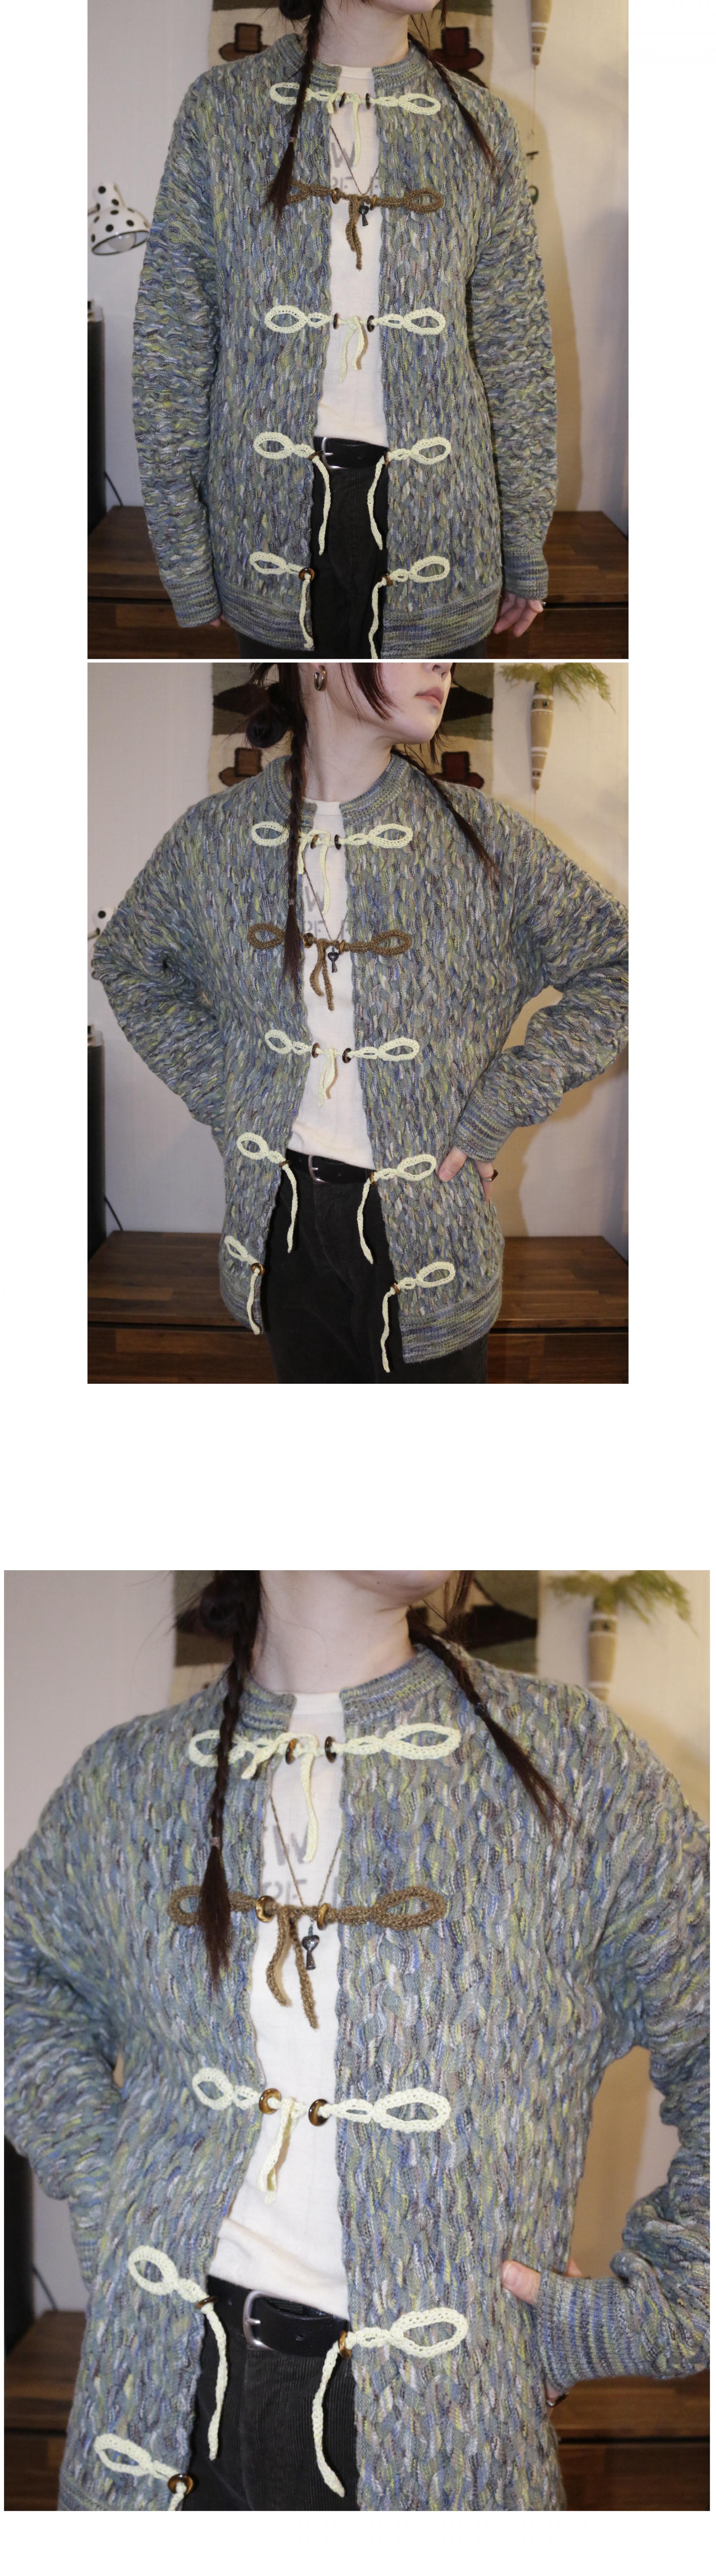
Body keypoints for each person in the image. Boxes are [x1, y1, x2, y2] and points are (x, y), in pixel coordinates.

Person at [4, 1570, 709, 2514]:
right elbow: (21, 1982)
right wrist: (107, 2187)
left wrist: (663, 2305)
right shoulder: (128, 1781)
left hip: (448, 2435)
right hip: (156, 2398)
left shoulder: (577, 1767)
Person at [92, 660, 628, 1386]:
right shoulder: (212, 839)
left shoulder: (486, 839)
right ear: (318, 658)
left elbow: (618, 966)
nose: (441, 662)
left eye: (446, 645)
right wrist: (227, 1091)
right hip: (279, 1218)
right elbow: (129, 962)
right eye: (410, 639)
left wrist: (501, 1102)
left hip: (430, 1225)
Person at [132, 0, 556, 658]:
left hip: (446, 530)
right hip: (263, 523)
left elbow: (517, 358)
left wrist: (524, 545)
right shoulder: (221, 111)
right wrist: (183, 557)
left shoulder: (483, 126)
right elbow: (172, 350)